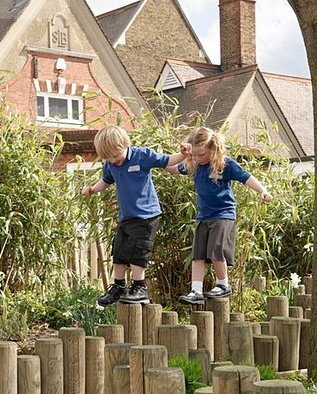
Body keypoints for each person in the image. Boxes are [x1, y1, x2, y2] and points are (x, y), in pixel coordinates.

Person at [82, 124, 188, 305]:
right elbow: (105, 181)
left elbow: (167, 160)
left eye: (116, 156)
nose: (114, 161)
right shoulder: (111, 165)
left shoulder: (142, 155)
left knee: (138, 251)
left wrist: (184, 154)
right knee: (119, 250)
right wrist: (92, 189)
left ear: (125, 144)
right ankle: (119, 286)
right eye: (108, 158)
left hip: (146, 215)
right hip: (126, 216)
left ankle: (140, 287)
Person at [168, 127, 273, 304]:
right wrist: (181, 155)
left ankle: (223, 284)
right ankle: (196, 290)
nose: (197, 158)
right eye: (194, 154)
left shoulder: (224, 164)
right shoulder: (193, 163)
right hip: (203, 216)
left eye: (201, 154)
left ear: (213, 149)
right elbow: (171, 167)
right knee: (198, 254)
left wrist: (263, 190)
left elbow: (246, 177)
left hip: (223, 214)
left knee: (216, 250)